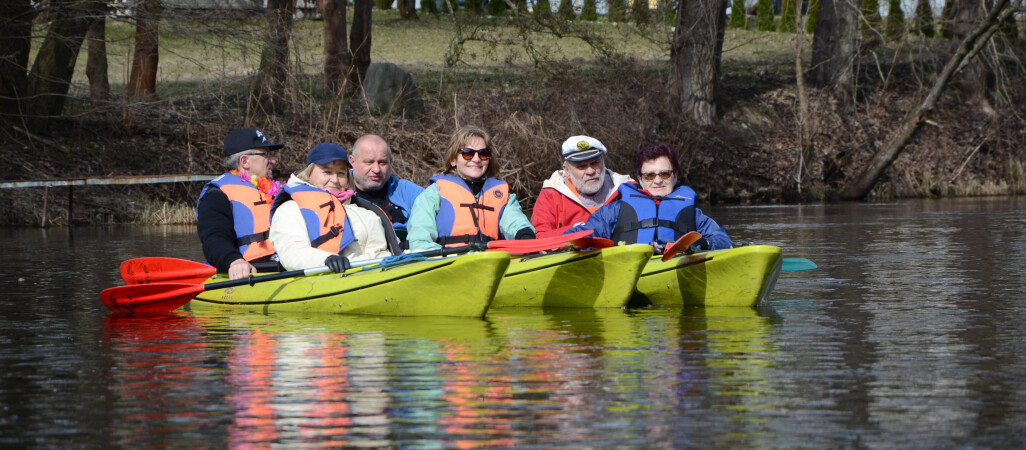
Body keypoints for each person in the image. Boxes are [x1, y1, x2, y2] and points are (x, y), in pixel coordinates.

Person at [566, 143, 733, 252]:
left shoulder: (694, 215)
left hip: (677, 266)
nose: (658, 180)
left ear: (675, 176)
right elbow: (587, 232)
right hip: (629, 271)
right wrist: (566, 243)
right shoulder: (614, 211)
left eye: (665, 174)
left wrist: (702, 244)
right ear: (640, 179)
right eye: (650, 176)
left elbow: (723, 239)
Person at [405, 125, 535, 251]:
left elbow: (515, 222)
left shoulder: (502, 195)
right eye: (468, 153)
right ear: (453, 160)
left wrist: (526, 237)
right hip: (448, 260)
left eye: (483, 153)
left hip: (492, 259)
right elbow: (420, 237)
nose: (476, 159)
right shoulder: (434, 193)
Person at [268, 143, 394, 272]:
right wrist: (326, 259)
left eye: (341, 173)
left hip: (370, 275)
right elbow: (291, 252)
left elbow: (381, 252)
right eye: (327, 172)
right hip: (324, 279)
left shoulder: (366, 213)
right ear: (309, 174)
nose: (335, 180)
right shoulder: (291, 210)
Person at [196, 127, 284, 280]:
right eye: (266, 155)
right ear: (244, 161)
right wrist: (234, 260)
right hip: (249, 271)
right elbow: (214, 237)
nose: (272, 160)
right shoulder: (216, 195)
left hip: (285, 264)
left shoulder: (276, 190)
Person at [531, 135, 633, 238]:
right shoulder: (552, 194)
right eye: (582, 166)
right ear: (567, 170)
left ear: (604, 161)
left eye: (595, 163)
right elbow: (540, 236)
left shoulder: (626, 189)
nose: (590, 171)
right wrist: (580, 229)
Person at [348, 134, 424, 240]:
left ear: (391, 162)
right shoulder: (337, 192)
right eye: (369, 162)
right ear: (352, 162)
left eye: (382, 162)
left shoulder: (407, 191)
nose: (376, 169)